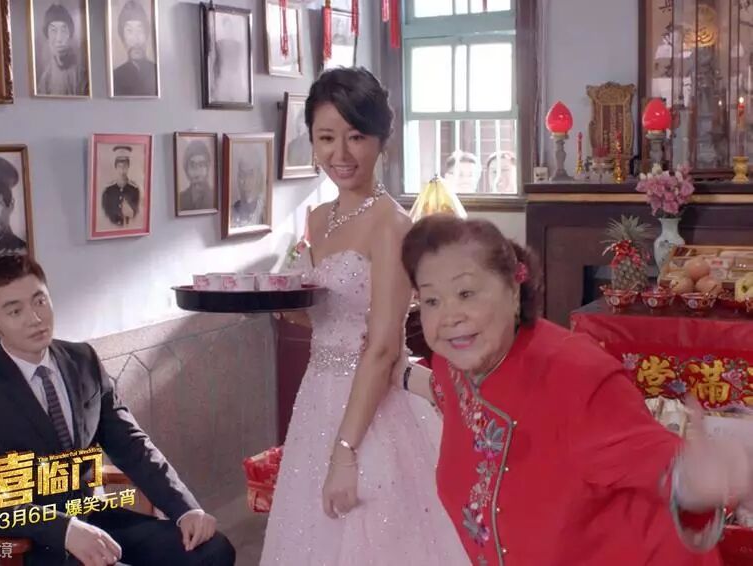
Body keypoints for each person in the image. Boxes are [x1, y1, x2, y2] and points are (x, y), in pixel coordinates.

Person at [396, 214, 753, 565]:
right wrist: (399, 374)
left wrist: (695, 479)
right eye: (432, 300)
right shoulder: (452, 364)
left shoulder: (575, 376)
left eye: (466, 293)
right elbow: (447, 392)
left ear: (513, 291)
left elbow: (655, 460)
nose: (449, 316)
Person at [259, 67, 467, 564]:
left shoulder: (391, 224)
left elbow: (384, 345)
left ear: (380, 140)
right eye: (326, 138)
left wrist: (346, 450)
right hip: (317, 398)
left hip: (374, 405)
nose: (341, 154)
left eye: (356, 137)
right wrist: (284, 304)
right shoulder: (317, 218)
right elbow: (329, 317)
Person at [0, 254, 236, 566]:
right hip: (35, 542)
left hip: (94, 516)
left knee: (213, 551)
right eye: (15, 311)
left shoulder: (82, 360)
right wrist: (64, 530)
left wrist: (185, 509)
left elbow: (131, 444)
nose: (35, 318)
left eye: (40, 301)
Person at [37, 2, 88, 96]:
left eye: (64, 30)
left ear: (70, 35)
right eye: (53, 31)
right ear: (47, 36)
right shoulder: (44, 80)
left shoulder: (83, 75)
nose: (59, 38)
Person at [112, 0, 157, 96]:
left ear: (146, 35)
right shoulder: (115, 76)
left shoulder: (157, 71)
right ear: (123, 38)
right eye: (129, 31)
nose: (136, 39)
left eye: (140, 30)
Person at [101, 146, 141, 227]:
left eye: (125, 166)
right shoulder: (108, 190)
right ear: (115, 167)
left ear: (128, 167)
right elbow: (105, 213)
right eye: (119, 166)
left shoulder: (134, 190)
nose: (122, 170)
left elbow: (136, 213)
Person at [230, 151, 266, 227]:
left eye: (251, 174)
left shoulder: (264, 210)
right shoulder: (230, 213)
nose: (246, 181)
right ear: (237, 178)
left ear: (259, 178)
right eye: (242, 174)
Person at [178, 141, 214, 212]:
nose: (197, 171)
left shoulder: (215, 197)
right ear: (186, 169)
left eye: (201, 165)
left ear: (208, 168)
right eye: (192, 165)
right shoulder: (180, 199)